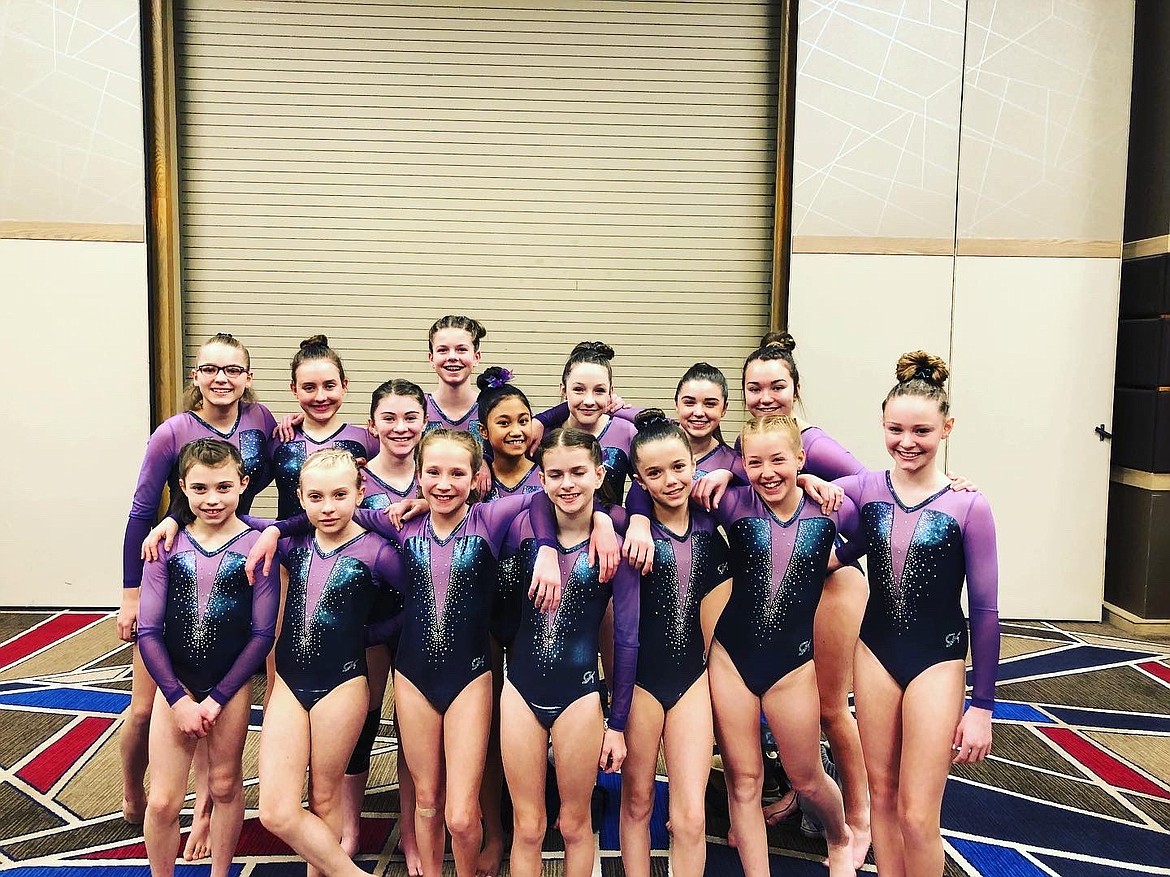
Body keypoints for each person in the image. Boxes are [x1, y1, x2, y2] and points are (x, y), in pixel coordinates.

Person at [246, 430, 573, 877]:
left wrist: (551, 551)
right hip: (413, 676)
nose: (443, 483)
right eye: (433, 472)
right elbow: (325, 512)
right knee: (425, 801)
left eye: (457, 473)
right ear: (417, 475)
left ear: (477, 477)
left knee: (460, 814)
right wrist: (275, 532)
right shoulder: (397, 523)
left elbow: (539, 501)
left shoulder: (488, 519)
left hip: (471, 678)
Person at [832, 351, 999, 877]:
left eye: (922, 430)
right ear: (882, 425)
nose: (907, 442)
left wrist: (983, 707)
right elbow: (797, 489)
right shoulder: (867, 490)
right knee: (881, 796)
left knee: (917, 813)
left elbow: (987, 610)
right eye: (895, 429)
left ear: (947, 428)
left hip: (937, 661)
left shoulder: (969, 506)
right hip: (875, 653)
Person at [119, 332, 276, 858]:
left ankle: (208, 814)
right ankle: (130, 793)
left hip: (233, 552)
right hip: (172, 557)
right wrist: (130, 592)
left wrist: (260, 529)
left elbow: (281, 475)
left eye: (233, 369)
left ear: (248, 377)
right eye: (210, 369)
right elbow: (142, 512)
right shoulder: (173, 432)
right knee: (144, 709)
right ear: (195, 376)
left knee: (224, 761)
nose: (221, 378)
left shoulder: (262, 423)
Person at [704, 415, 857, 877]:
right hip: (731, 659)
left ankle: (839, 836)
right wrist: (724, 472)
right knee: (744, 780)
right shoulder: (732, 503)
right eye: (754, 462)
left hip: (792, 667)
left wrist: (954, 482)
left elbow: (891, 494)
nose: (767, 472)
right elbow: (659, 486)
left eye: (779, 460)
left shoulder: (831, 509)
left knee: (807, 778)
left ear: (801, 459)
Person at [255, 449, 406, 877]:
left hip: (342, 684)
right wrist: (171, 520)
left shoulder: (376, 551)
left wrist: (368, 635)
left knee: (325, 798)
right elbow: (230, 524)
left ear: (360, 493)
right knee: (276, 810)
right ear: (300, 498)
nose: (328, 507)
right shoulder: (292, 542)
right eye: (316, 497)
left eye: (340, 495)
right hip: (288, 682)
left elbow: (418, 602)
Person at [498, 427, 639, 877]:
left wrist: (617, 724)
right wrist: (543, 548)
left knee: (575, 823)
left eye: (579, 472)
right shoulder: (524, 525)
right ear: (540, 478)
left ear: (599, 474)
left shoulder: (612, 542)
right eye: (555, 474)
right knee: (529, 826)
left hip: (580, 696)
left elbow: (627, 640)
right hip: (519, 690)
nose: (568, 484)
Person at [138, 439, 279, 877]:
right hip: (176, 682)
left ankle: (221, 872)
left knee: (223, 784)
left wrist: (218, 697)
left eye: (223, 487)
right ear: (182, 487)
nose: (212, 499)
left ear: (244, 483)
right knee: (162, 799)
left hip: (228, 685)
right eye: (199, 489)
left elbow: (261, 634)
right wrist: (178, 698)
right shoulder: (167, 543)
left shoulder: (258, 544)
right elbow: (148, 630)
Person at [619, 411, 731, 877]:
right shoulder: (631, 535)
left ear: (694, 465)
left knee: (690, 815)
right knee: (639, 802)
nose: (670, 480)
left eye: (679, 467)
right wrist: (617, 711)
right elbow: (624, 633)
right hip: (641, 682)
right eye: (655, 473)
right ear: (640, 481)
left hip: (692, 682)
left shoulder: (712, 528)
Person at [342, 379, 427, 873]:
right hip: (368, 617)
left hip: (427, 619)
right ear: (371, 424)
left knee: (413, 727)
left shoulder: (435, 473)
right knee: (363, 717)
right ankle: (351, 825)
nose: (400, 428)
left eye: (410, 418)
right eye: (389, 418)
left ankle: (413, 833)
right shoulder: (355, 478)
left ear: (424, 422)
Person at [271, 335, 377, 519]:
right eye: (309, 388)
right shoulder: (280, 438)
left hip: (348, 544)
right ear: (294, 389)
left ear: (344, 386)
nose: (320, 397)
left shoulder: (367, 440)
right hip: (288, 544)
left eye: (329, 386)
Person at [425, 315, 488, 438]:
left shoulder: (491, 408)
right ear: (431, 358)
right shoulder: (416, 408)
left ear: (476, 357)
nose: (452, 357)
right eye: (443, 350)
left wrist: (538, 421)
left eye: (461, 349)